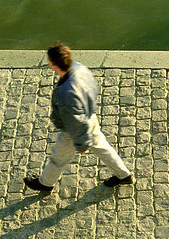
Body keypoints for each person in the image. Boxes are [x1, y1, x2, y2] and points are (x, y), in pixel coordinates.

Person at [24, 41, 133, 192]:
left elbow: (75, 120)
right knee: (102, 147)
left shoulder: (67, 92)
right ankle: (124, 175)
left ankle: (45, 183)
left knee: (58, 157)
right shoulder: (79, 67)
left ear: (54, 66)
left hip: (74, 130)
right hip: (90, 117)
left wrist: (82, 144)